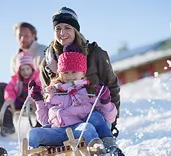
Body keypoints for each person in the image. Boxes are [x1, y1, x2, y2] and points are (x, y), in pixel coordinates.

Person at [28, 44, 126, 156]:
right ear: (60, 73)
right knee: (33, 133)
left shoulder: (89, 91)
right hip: (56, 132)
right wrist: (38, 101)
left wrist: (105, 101)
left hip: (76, 131)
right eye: (66, 72)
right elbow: (45, 121)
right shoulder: (52, 92)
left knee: (89, 127)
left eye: (74, 72)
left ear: (82, 72)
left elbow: (109, 118)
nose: (70, 76)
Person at [39, 7, 121, 137]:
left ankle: (106, 152)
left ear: (76, 30)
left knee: (95, 121)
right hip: (64, 124)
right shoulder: (48, 62)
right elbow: (47, 97)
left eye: (67, 28)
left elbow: (112, 86)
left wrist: (112, 121)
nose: (62, 32)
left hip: (94, 116)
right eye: (58, 28)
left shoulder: (95, 53)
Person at [0, 22, 46, 140]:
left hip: (39, 92)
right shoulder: (15, 58)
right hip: (21, 94)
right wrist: (10, 98)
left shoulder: (42, 51)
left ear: (33, 35)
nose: (22, 38)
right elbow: (15, 81)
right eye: (19, 36)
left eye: (26, 35)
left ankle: (42, 125)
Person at [0, 52, 42, 140]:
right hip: (20, 102)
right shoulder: (16, 79)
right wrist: (10, 99)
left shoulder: (37, 78)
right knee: (8, 107)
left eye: (27, 69)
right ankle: (7, 126)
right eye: (22, 70)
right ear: (18, 70)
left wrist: (34, 98)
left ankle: (40, 125)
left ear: (32, 68)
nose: (25, 72)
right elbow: (9, 89)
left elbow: (39, 88)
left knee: (41, 104)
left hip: (32, 101)